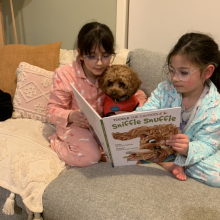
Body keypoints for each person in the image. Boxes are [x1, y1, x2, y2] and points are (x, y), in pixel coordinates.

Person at [46, 22, 146, 167]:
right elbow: (50, 111)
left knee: (132, 155)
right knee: (90, 158)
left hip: (104, 127)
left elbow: (138, 93)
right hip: (76, 126)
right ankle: (56, 142)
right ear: (80, 54)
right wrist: (71, 115)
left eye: (105, 56)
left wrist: (137, 109)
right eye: (92, 56)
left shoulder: (112, 72)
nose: (99, 63)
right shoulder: (65, 75)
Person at [136, 32, 220, 187]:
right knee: (137, 143)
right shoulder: (165, 89)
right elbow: (144, 113)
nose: (174, 78)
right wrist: (130, 120)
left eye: (183, 72)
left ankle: (170, 161)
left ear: (207, 72)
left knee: (216, 175)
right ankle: (167, 161)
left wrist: (189, 149)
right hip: (159, 144)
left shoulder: (215, 106)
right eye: (172, 70)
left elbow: (209, 143)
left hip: (191, 151)